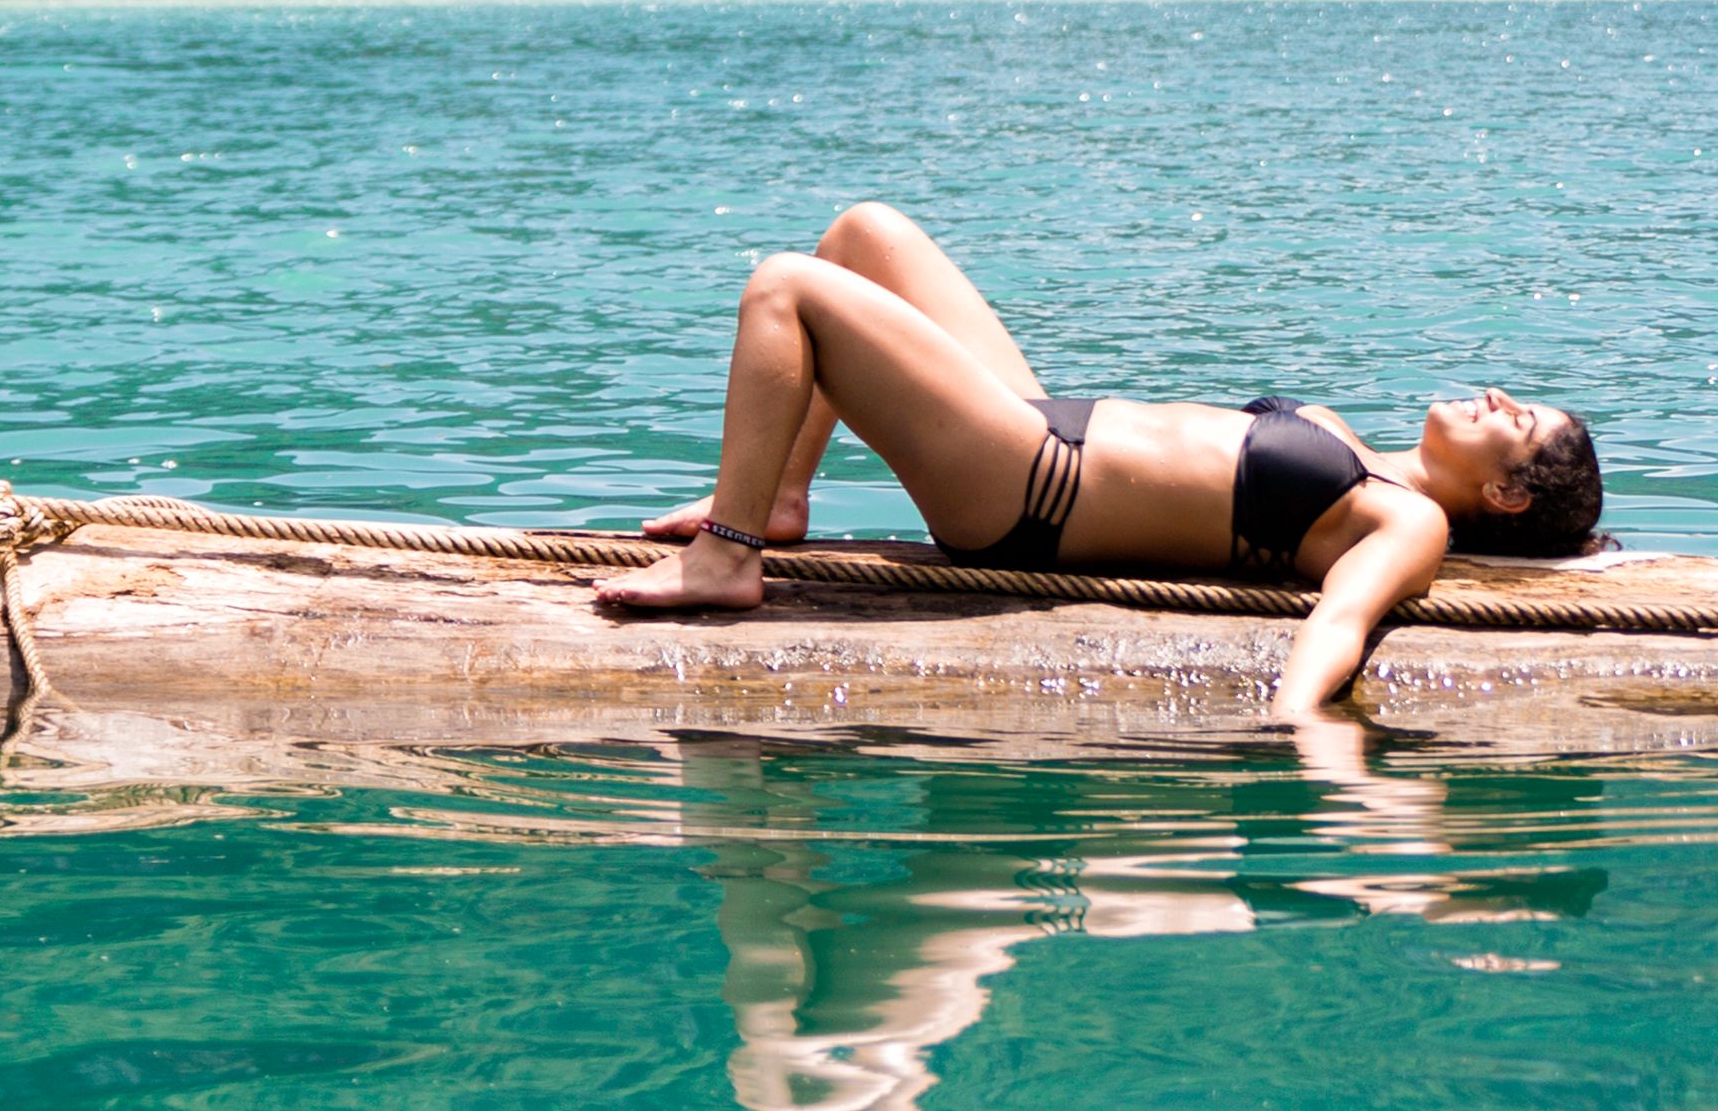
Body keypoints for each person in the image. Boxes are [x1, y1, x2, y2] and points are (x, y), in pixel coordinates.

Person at [593, 199, 1604, 723]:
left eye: (1516, 420)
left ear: (1506, 495)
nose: (1496, 396)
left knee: (784, 287)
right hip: (1039, 421)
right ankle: (778, 498)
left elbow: (1340, 620)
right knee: (865, 233)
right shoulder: (1360, 448)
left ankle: (729, 557)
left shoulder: (1410, 522)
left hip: (1028, 488)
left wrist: (1296, 731)